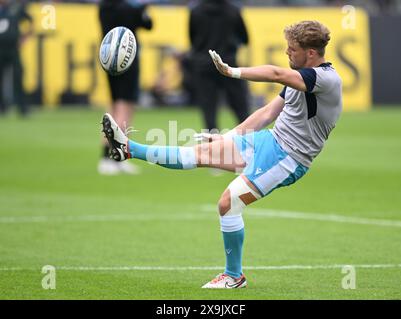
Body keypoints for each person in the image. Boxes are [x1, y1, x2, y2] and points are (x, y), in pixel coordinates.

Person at [101, 20, 342, 288]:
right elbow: (266, 113)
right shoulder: (299, 79)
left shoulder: (325, 79)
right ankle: (128, 149)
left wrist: (232, 71)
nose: (287, 52)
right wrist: (228, 137)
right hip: (268, 141)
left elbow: (275, 73)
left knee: (228, 203)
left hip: (288, 158)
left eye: (292, 49)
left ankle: (233, 276)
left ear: (310, 53)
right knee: (199, 154)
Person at [98, 0, 153, 175]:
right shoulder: (129, 9)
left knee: (114, 105)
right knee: (125, 107)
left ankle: (107, 157)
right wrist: (144, 10)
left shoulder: (103, 7)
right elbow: (148, 24)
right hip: (126, 61)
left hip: (108, 60)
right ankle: (115, 156)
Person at [189, 0, 250, 132]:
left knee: (209, 110)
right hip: (228, 64)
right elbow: (245, 38)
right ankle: (249, 140)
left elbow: (192, 39)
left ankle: (213, 145)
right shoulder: (233, 10)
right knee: (240, 107)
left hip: (203, 65)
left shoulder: (195, 11)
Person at [0, 0, 33, 116]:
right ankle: (2, 107)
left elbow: (30, 21)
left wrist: (25, 37)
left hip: (13, 49)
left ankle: (22, 107)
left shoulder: (15, 9)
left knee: (18, 76)